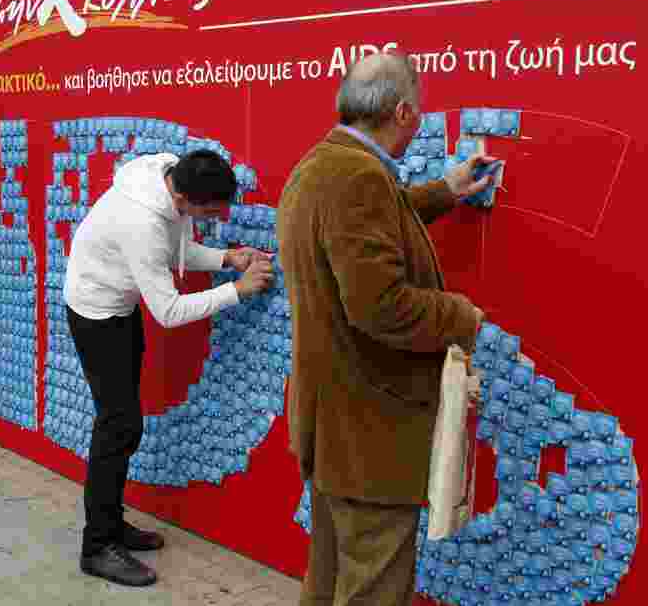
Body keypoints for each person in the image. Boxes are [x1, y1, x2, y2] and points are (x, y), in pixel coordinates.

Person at [276, 52, 494, 606]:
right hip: (368, 435)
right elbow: (379, 305)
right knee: (374, 588)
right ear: (402, 112)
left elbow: (372, 228)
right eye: (416, 112)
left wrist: (445, 190)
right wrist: (461, 317)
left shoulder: (325, 164)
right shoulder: (358, 176)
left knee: (327, 581)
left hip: (334, 427)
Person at [64, 148, 273, 587]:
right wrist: (238, 289)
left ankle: (111, 525)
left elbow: (174, 246)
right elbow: (170, 311)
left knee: (125, 424)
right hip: (95, 314)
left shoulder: (166, 173)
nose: (217, 216)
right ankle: (97, 546)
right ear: (186, 202)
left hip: (118, 307)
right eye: (212, 210)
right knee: (117, 427)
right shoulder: (141, 223)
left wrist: (224, 258)